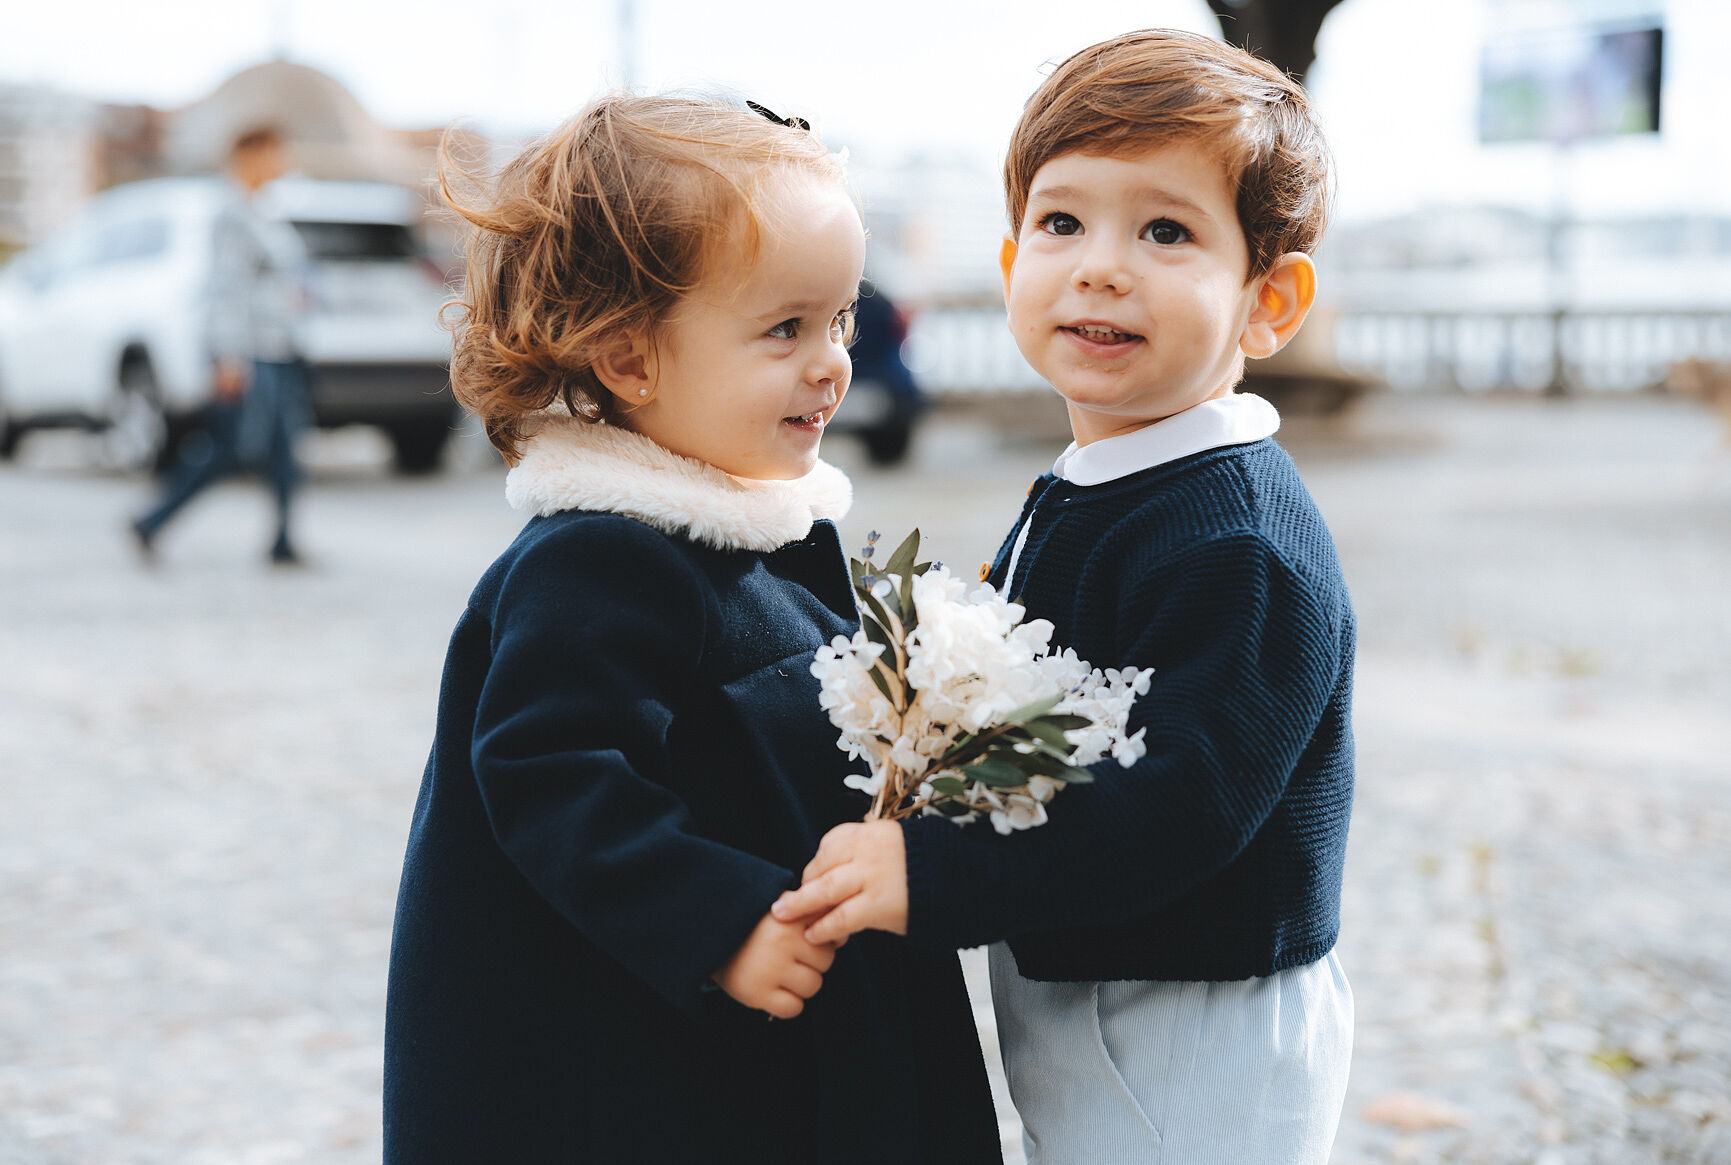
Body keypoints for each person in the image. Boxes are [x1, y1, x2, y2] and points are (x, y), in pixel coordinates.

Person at [382, 95, 1001, 1164]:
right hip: (642, 1074)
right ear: (628, 359)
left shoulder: (753, 535)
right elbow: (552, 774)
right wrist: (720, 922)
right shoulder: (598, 558)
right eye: (784, 329)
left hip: (772, 1044)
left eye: (841, 319)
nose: (831, 362)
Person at [773, 29, 1356, 1165]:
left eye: (1167, 231)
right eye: (1061, 222)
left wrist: (934, 875)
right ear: (1008, 270)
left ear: (1268, 301)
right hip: (1105, 968)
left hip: (1196, 1004)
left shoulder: (1235, 537)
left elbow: (1180, 808)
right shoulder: (1109, 477)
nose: (1099, 265)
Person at [131, 125, 311, 565]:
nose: (281, 164)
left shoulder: (267, 213)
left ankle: (284, 542)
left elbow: (287, 278)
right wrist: (229, 357)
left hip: (282, 349)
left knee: (287, 447)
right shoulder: (232, 216)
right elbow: (226, 290)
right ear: (250, 156)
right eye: (274, 154)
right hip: (250, 354)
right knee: (232, 446)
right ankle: (153, 519)